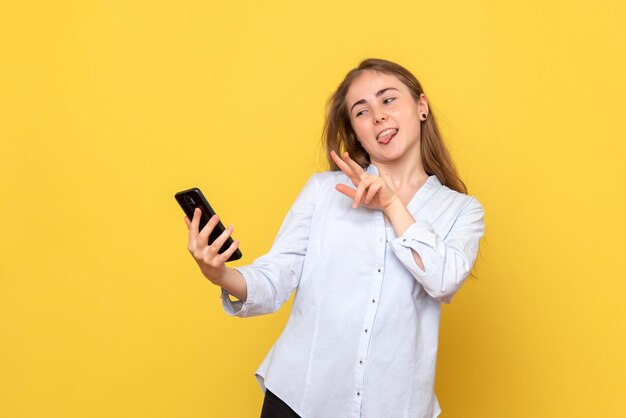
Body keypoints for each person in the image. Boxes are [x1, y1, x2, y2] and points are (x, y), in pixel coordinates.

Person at [184, 58, 485, 418]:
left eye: (388, 100)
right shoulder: (323, 192)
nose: (378, 117)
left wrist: (391, 203)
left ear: (421, 107)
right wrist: (218, 274)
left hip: (394, 407)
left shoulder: (462, 211)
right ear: (355, 131)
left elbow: (444, 281)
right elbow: (275, 277)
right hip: (301, 398)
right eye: (362, 111)